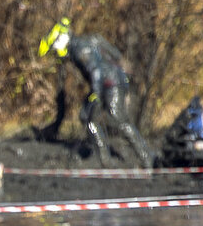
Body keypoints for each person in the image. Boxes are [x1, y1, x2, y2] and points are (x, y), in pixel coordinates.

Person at [39, 17, 154, 168]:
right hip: (106, 83)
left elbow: (96, 70)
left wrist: (96, 93)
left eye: (54, 47)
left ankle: (147, 158)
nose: (57, 53)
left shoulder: (80, 49)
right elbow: (113, 53)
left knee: (119, 119)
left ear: (62, 40)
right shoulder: (86, 41)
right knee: (88, 118)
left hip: (111, 84)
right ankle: (106, 161)